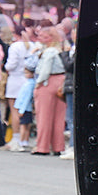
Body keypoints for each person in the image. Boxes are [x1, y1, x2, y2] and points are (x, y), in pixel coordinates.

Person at [32, 27, 68, 156]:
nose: (40, 38)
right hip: (60, 82)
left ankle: (42, 146)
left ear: (50, 38)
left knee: (43, 117)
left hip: (47, 83)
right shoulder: (60, 50)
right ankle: (58, 146)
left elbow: (45, 70)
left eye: (43, 36)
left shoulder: (48, 52)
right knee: (59, 118)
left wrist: (38, 83)